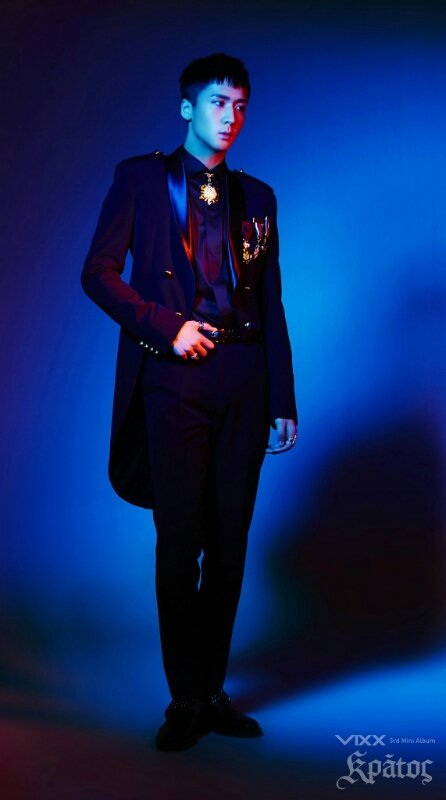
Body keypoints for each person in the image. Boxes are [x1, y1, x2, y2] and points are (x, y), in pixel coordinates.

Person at [81, 52, 298, 752]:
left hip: (245, 378)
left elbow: (271, 301)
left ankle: (212, 691)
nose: (230, 116)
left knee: (230, 545)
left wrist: (282, 396)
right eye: (216, 102)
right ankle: (184, 699)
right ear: (187, 108)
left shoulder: (259, 197)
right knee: (180, 542)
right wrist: (165, 326)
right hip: (173, 380)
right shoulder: (140, 179)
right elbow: (98, 273)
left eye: (240, 105)